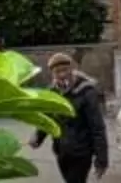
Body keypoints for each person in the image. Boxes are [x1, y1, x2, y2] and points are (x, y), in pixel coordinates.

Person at [34, 52, 109, 183]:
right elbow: (47, 118)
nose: (62, 75)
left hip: (82, 152)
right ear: (53, 74)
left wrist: (101, 159)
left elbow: (97, 127)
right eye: (58, 72)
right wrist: (37, 137)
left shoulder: (86, 91)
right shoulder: (52, 93)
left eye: (65, 70)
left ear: (72, 69)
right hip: (62, 152)